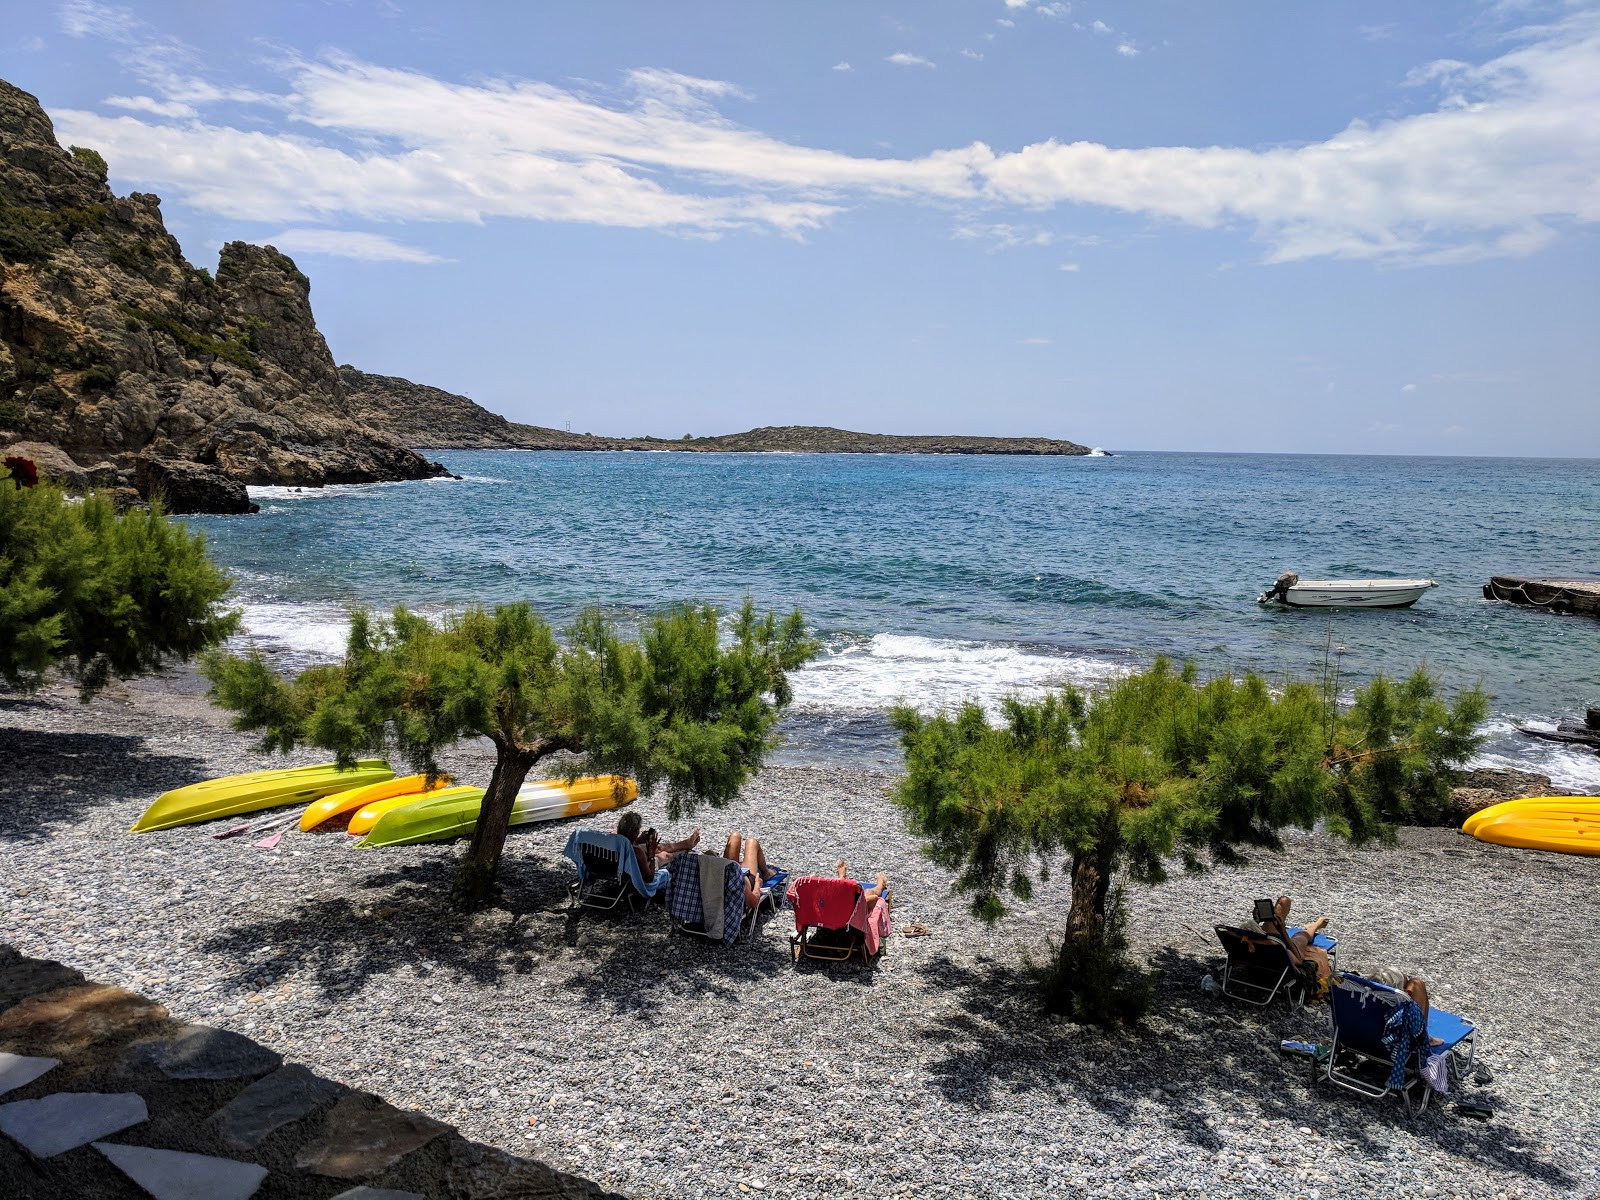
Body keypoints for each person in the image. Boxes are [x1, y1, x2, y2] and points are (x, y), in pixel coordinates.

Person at [616, 810, 698, 878]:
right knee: (664, 855)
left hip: (624, 865)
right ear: (635, 832)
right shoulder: (638, 853)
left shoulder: (614, 841)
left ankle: (685, 844)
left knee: (658, 847)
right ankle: (685, 851)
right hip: (638, 869)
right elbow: (649, 878)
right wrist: (651, 855)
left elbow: (629, 843)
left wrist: (638, 841)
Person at [719, 831, 782, 909]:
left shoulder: (702, 871)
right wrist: (757, 885)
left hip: (724, 875)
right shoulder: (738, 882)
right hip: (744, 879)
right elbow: (752, 903)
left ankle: (765, 872)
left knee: (735, 836)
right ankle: (766, 873)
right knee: (752, 842)